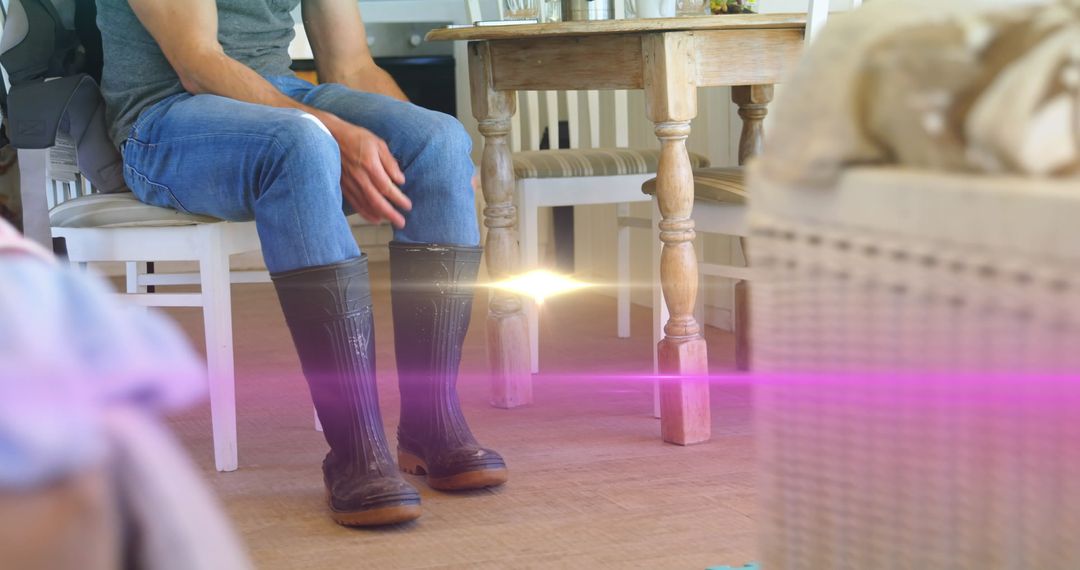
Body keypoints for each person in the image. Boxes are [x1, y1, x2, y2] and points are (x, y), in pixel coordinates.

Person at [95, 0, 506, 527]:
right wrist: (331, 129)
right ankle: (356, 451)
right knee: (300, 142)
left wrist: (439, 158)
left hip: (277, 94)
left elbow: (352, 66)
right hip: (165, 119)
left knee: (441, 142)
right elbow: (197, 63)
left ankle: (432, 421)